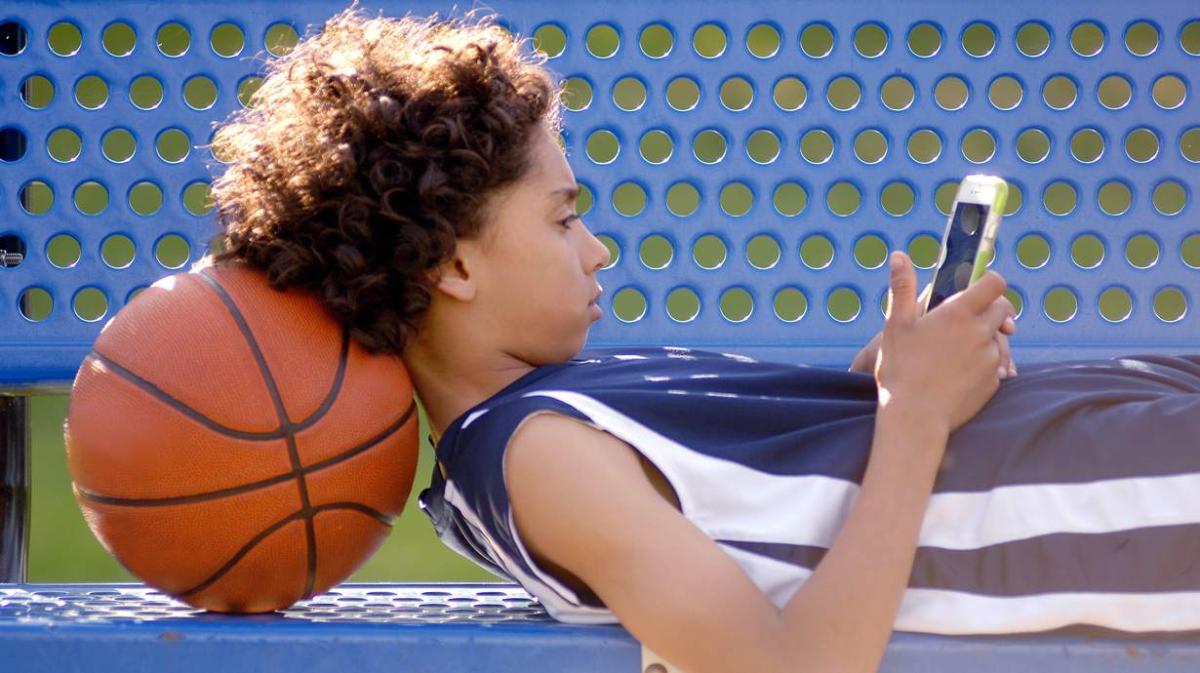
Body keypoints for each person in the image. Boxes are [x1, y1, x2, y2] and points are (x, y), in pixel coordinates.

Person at [206, 5, 1200, 673]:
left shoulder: (554, 407)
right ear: (453, 268)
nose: (596, 250)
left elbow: (791, 492)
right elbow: (787, 665)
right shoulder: (535, 454)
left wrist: (886, 383)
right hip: (1101, 500)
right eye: (562, 220)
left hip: (1103, 436)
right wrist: (914, 415)